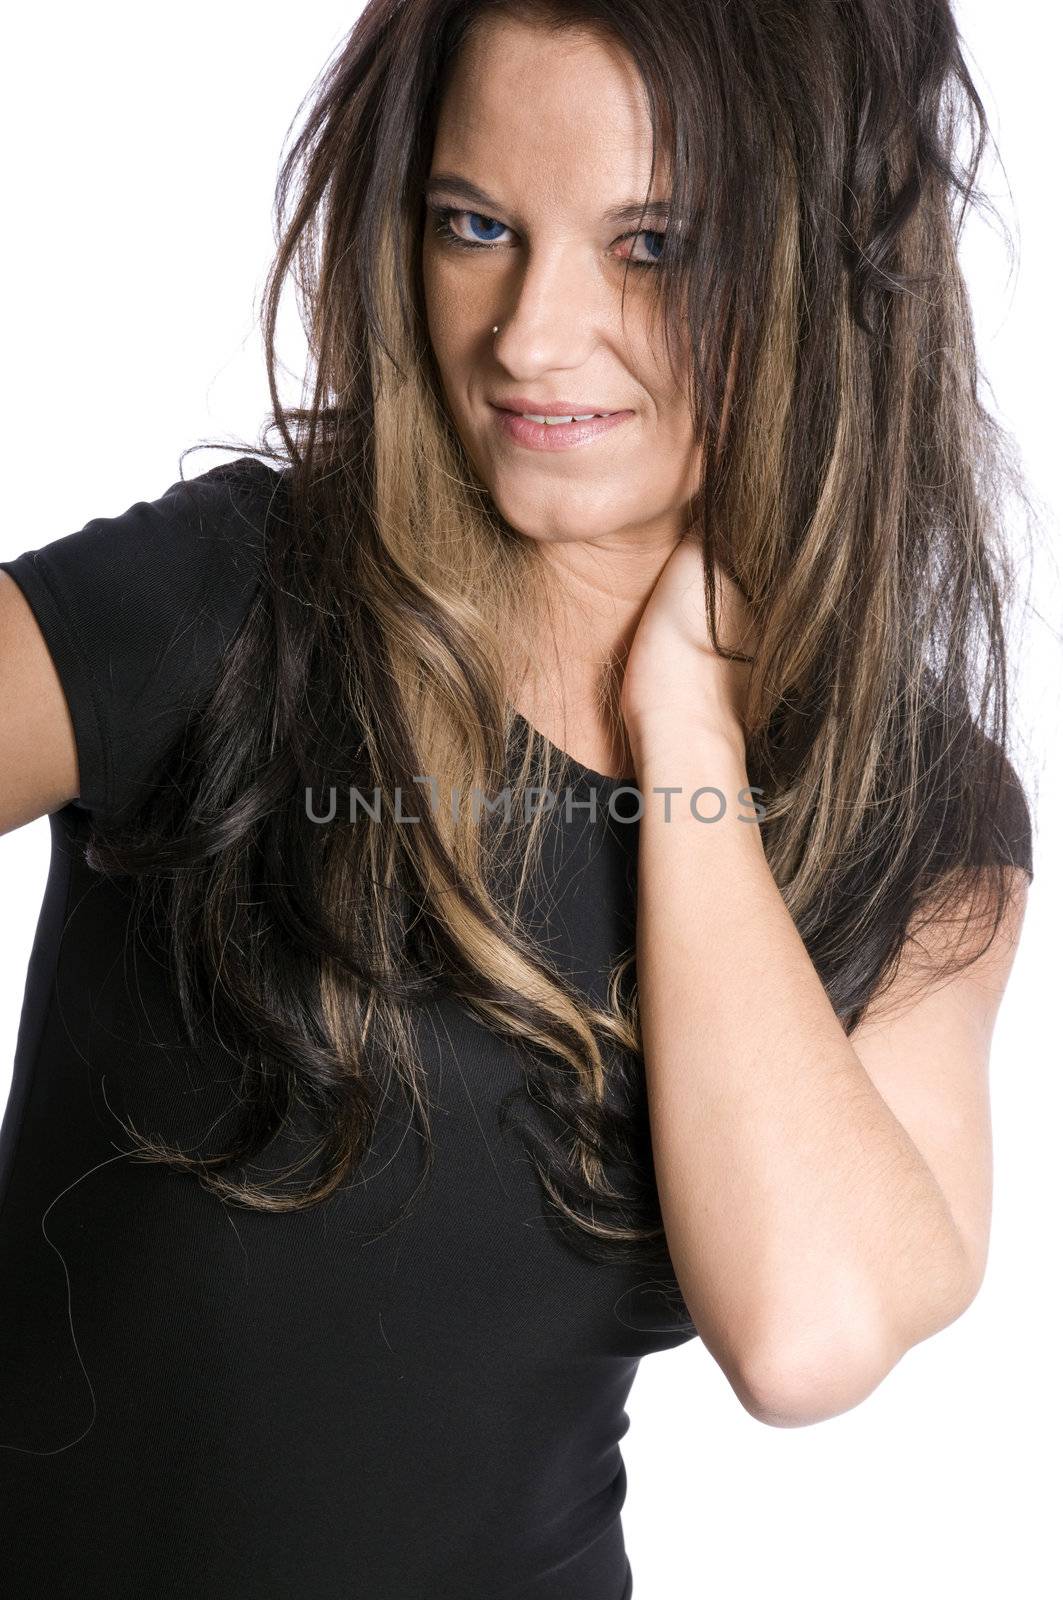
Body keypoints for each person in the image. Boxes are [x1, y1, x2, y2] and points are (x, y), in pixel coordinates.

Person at [0, 2, 1036, 1597]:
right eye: (477, 225)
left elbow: (812, 1329)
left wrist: (684, 718)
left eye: (653, 245)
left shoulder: (919, 813)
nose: (531, 337)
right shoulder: (237, 602)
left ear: (826, 264)